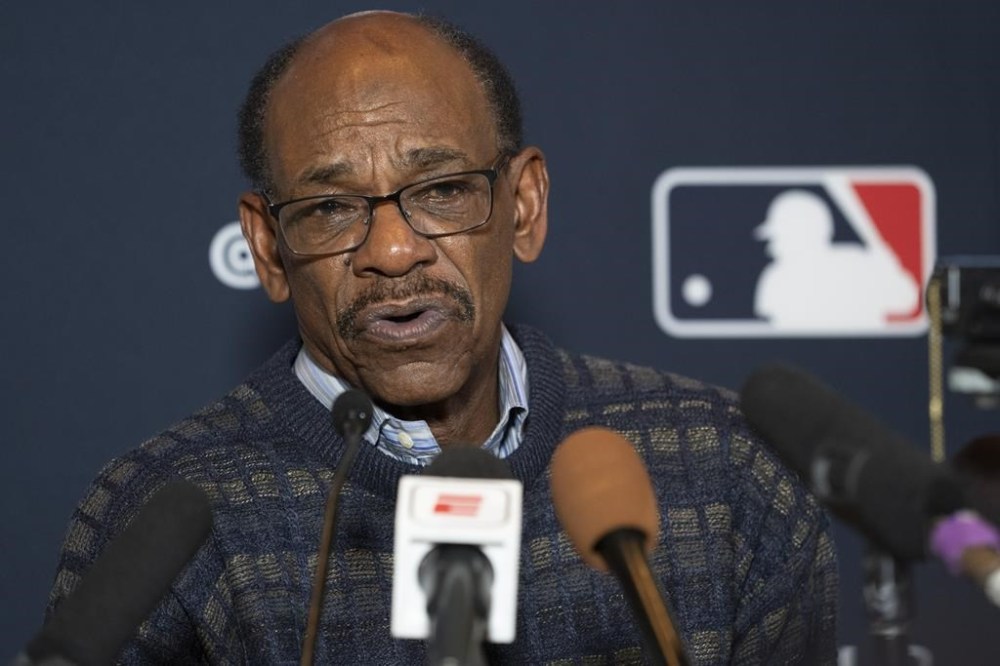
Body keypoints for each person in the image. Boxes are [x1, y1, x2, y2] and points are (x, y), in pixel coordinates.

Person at [47, 10, 838, 664]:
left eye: (441, 190)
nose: (393, 252)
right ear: (267, 247)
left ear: (523, 206)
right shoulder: (162, 517)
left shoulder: (725, 471)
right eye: (331, 208)